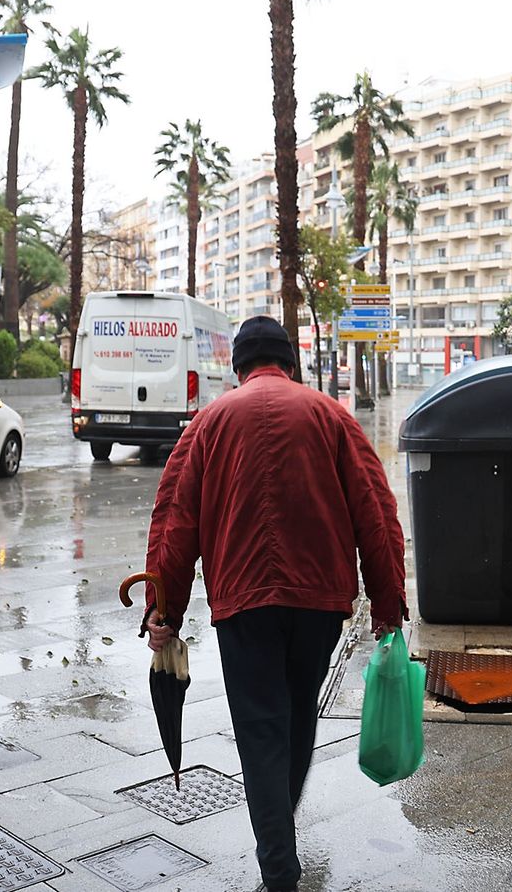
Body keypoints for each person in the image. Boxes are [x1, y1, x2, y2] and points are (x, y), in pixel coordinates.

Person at [143, 315, 407, 892]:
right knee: (297, 715)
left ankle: (279, 872)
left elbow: (174, 522)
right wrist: (388, 605)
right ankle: (280, 852)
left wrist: (163, 610)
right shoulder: (331, 416)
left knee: (261, 730)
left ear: (238, 367)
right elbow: (376, 512)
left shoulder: (208, 422)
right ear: (291, 362)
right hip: (320, 603)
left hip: (243, 602)